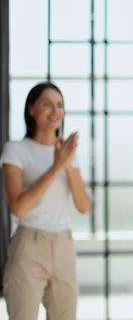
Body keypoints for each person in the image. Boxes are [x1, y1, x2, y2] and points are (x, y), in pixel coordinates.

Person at [1, 82, 91, 320]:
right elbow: (19, 207)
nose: (55, 111)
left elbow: (84, 207)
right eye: (46, 104)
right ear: (31, 109)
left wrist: (68, 163)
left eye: (60, 105)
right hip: (30, 245)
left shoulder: (68, 154)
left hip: (64, 245)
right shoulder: (16, 150)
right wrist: (57, 165)